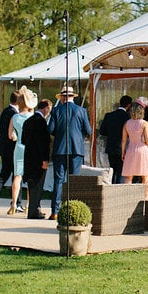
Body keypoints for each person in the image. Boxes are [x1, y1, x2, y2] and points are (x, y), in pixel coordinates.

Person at [46, 85, 92, 220]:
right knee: (74, 180)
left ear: (62, 98)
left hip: (60, 149)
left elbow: (50, 129)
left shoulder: (56, 111)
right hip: (76, 149)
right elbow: (88, 131)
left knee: (58, 180)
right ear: (72, 97)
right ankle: (73, 209)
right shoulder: (81, 110)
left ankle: (55, 211)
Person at [21, 98, 52, 219]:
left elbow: (23, 140)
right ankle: (34, 210)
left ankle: (33, 209)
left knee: (31, 184)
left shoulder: (28, 121)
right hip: (38, 158)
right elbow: (43, 143)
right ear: (46, 108)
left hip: (28, 156)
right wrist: (44, 159)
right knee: (38, 185)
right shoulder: (41, 122)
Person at [8, 88, 36, 214]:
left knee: (17, 176)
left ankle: (13, 203)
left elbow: (10, 135)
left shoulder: (14, 117)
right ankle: (29, 204)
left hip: (18, 146)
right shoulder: (33, 117)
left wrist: (16, 135)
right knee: (30, 177)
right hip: (30, 148)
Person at [120, 101, 148, 194]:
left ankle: (127, 197)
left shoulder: (127, 123)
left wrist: (123, 152)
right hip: (142, 150)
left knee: (128, 176)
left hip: (131, 149)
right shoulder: (144, 123)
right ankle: (145, 197)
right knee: (145, 176)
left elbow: (124, 140)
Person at [99, 94, 131, 184]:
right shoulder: (128, 118)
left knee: (112, 171)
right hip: (123, 148)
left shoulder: (109, 115)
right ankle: (118, 192)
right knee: (121, 172)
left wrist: (111, 134)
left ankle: (111, 188)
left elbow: (102, 131)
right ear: (129, 105)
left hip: (111, 147)